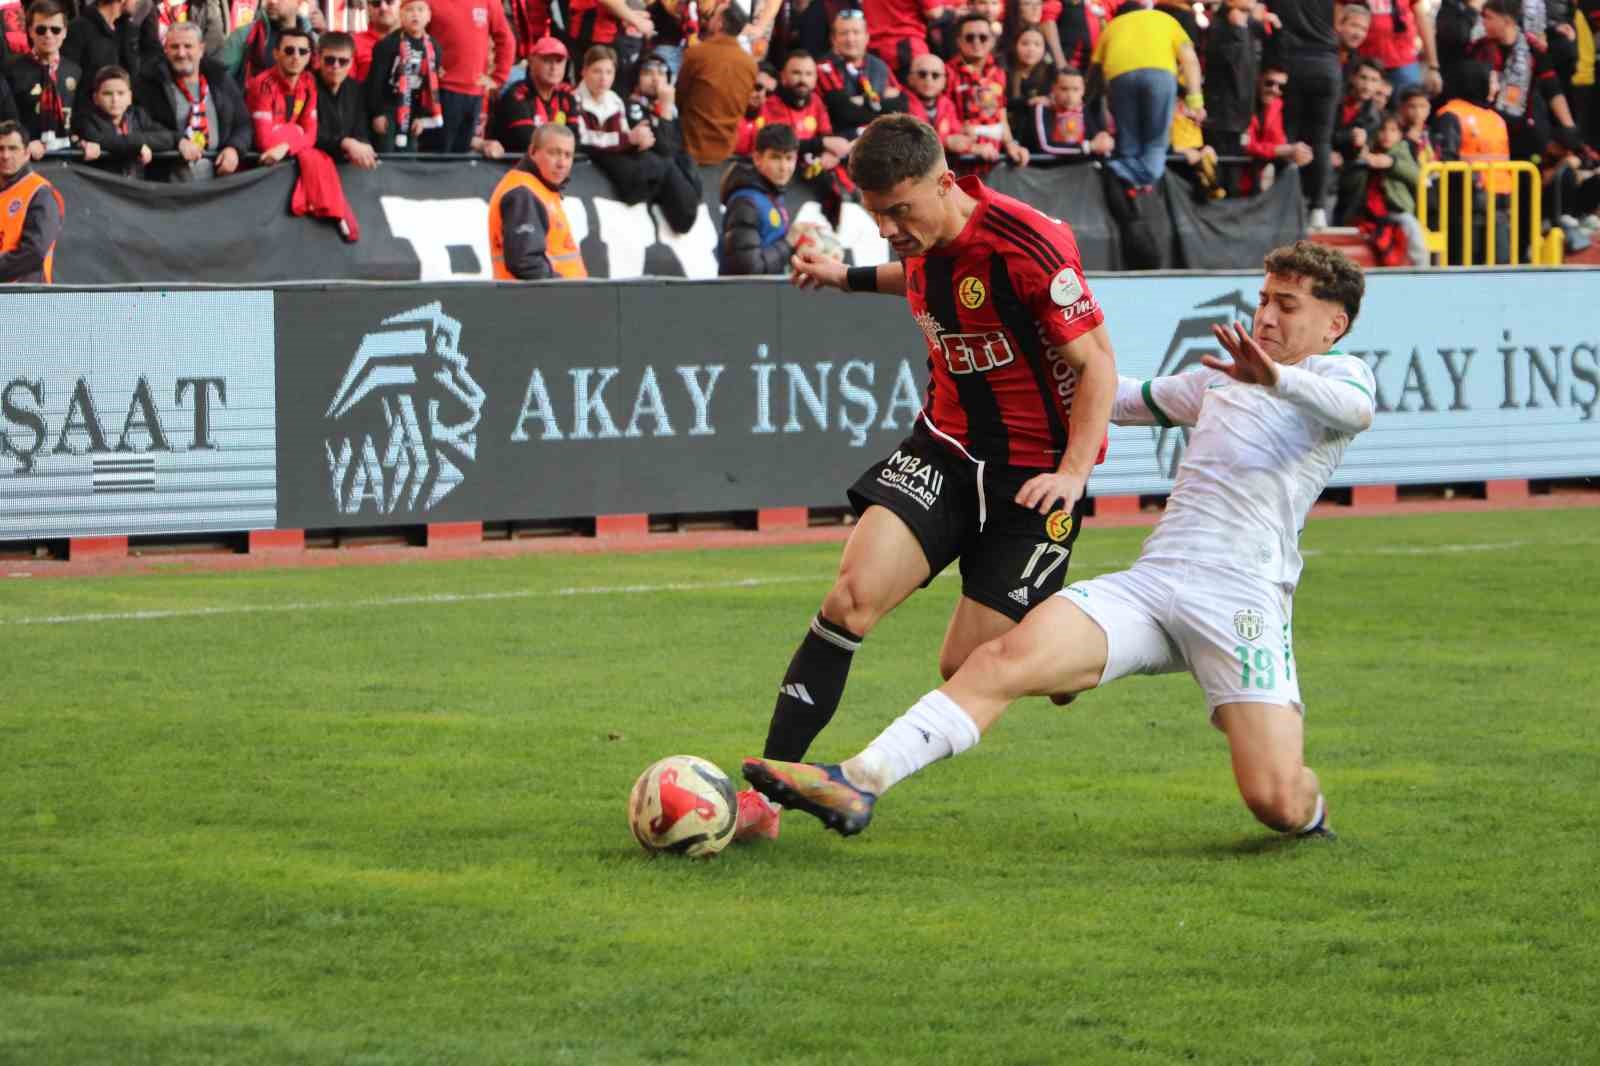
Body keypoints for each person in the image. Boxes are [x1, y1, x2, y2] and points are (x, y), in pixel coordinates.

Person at [744, 240, 1374, 846]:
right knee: (994, 661)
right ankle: (857, 780)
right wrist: (1038, 357)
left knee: (1276, 801)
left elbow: (1355, 409)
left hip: (1241, 603)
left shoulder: (1338, 378)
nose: (1265, 315)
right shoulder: (1217, 382)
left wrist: (1275, 380)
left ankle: (1309, 810)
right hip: (1153, 586)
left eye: (1286, 305)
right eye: (1263, 299)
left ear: (1333, 324)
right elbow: (1116, 396)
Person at [731, 113, 1118, 841]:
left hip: (1033, 481)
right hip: (942, 450)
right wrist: (841, 277)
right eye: (875, 214)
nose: (887, 229)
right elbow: (914, 271)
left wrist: (1071, 473)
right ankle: (769, 796)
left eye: (899, 211)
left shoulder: (1029, 245)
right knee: (850, 600)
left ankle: (1058, 659)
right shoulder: (922, 237)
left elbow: (1097, 364)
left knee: (968, 666)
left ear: (945, 183)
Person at [248, 26, 361, 240]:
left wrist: (285, 143)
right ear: (276, 53)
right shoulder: (262, 85)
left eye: (302, 52)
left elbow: (311, 135)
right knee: (312, 154)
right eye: (289, 50)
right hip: (258, 169)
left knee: (315, 154)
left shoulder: (309, 82)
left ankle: (334, 210)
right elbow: (264, 142)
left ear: (311, 56)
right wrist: (295, 132)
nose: (296, 57)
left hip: (286, 156)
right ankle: (337, 211)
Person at [1090, 0, 1201, 193]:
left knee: (1128, 141)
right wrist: (1195, 101)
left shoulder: (1111, 27)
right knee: (1156, 142)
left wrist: (1090, 100)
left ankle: (1128, 181)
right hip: (1159, 75)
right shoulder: (1165, 19)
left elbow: (1094, 70)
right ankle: (1127, 173)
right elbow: (1190, 60)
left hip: (1119, 78)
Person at [133, 21, 250, 180]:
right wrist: (176, 141)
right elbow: (140, 126)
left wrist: (235, 148)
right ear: (165, 50)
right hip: (166, 187)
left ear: (201, 49)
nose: (181, 53)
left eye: (188, 46)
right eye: (174, 47)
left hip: (218, 187)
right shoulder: (149, 83)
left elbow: (243, 124)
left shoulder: (220, 79)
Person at [1267, 0, 1341, 229]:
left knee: (1288, 133)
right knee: (1321, 139)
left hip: (1293, 61)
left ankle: (1285, 202)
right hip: (1327, 63)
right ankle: (1318, 208)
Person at [488, 120, 586, 278]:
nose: (562, 163)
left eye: (568, 155)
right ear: (533, 151)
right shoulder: (523, 192)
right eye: (554, 153)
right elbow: (525, 262)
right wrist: (566, 289)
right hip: (542, 299)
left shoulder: (540, 187)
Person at [421, 0, 513, 152]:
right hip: (440, 91)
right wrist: (426, 72)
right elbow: (414, 36)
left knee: (462, 154)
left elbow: (506, 39)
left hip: (474, 94)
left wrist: (498, 77)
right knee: (435, 154)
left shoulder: (489, 2)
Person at [677, 0, 758, 164]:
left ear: (720, 23)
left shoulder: (697, 54)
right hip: (726, 148)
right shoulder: (750, 64)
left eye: (713, 15)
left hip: (691, 146)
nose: (710, 18)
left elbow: (680, 98)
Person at [946, 10, 1029, 165]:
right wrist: (972, 147)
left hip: (993, 160)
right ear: (959, 41)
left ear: (992, 41)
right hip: (959, 161)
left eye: (983, 37)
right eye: (970, 37)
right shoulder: (946, 73)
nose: (976, 42)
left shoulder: (998, 73)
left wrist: (1011, 144)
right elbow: (943, 119)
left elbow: (1001, 115)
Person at [818, 8, 909, 141]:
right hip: (843, 140)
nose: (850, 39)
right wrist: (882, 103)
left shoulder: (880, 66)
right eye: (844, 33)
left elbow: (901, 104)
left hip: (880, 139)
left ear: (867, 37)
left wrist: (862, 102)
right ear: (833, 39)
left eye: (856, 32)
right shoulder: (825, 68)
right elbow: (843, 113)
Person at [71, 63, 177, 178]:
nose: (115, 99)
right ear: (95, 98)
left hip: (135, 188)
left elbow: (167, 137)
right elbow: (99, 139)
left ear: (130, 97)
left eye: (121, 93)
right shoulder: (86, 119)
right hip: (102, 189)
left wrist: (137, 143)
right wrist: (137, 146)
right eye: (107, 94)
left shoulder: (138, 115)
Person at [719, 120, 797, 274]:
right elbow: (747, 269)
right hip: (746, 297)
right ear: (757, 159)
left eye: (789, 158)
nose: (783, 167)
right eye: (775, 157)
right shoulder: (745, 203)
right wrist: (789, 243)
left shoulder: (771, 195)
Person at [7, 0, 81, 158]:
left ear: (65, 32)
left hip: (67, 162)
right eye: (41, 29)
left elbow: (81, 117)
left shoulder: (75, 71)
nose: (48, 35)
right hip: (25, 162)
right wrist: (24, 143)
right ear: (30, 31)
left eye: (55, 29)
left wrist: (82, 140)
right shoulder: (10, 70)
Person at [366, 0, 442, 153]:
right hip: (389, 105)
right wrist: (377, 113)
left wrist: (423, 117)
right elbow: (375, 82)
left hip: (414, 107)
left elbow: (430, 86)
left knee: (410, 150)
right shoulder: (387, 44)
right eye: (409, 10)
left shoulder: (433, 48)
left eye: (420, 10)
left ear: (429, 16)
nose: (415, 14)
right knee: (386, 148)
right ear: (400, 15)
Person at [1354, 112, 1429, 264]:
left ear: (1401, 135)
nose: (1387, 135)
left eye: (1393, 130)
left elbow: (1415, 175)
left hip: (1396, 209)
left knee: (1414, 234)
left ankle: (1422, 270)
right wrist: (1362, 151)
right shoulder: (1370, 150)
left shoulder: (1401, 151)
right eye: (1383, 130)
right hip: (1370, 211)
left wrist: (1392, 163)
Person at [1204, 0, 1262, 196]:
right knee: (1222, 182)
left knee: (1234, 180)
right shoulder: (1223, 26)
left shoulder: (1246, 25)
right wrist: (1238, 31)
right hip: (1223, 119)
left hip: (1239, 117)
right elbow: (1235, 70)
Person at [61, 0, 160, 115]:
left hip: (124, 119)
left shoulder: (126, 29)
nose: (138, 2)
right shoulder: (78, 29)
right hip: (87, 120)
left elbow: (134, 76)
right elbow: (69, 82)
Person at [0, 118, 64, 282]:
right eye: (0, 148)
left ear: (27, 153)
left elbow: (34, 252)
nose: (5, 155)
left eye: (13, 148)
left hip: (25, 297)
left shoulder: (40, 193)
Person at [491, 35, 576, 155]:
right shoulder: (517, 94)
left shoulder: (567, 95)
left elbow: (576, 137)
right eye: (547, 60)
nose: (554, 67)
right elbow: (527, 140)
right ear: (531, 61)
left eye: (559, 61)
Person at [1243, 64, 1312, 195]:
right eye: (1269, 83)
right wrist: (1280, 150)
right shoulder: (1244, 103)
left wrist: (1296, 152)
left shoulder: (1276, 105)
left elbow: (1278, 141)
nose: (1275, 90)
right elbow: (1246, 146)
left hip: (1259, 180)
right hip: (1237, 179)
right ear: (1259, 79)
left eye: (1281, 87)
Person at [313, 31, 377, 169]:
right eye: (330, 60)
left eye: (343, 61)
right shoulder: (306, 85)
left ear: (352, 62)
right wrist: (344, 143)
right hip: (314, 164)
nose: (336, 66)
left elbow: (361, 128)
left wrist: (362, 145)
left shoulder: (356, 89)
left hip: (348, 165)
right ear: (319, 58)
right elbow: (308, 132)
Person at [1016, 65, 1113, 155]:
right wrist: (1087, 147)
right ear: (1054, 89)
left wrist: (1104, 141)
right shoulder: (1042, 108)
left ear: (1083, 90)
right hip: (1044, 169)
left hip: (1080, 169)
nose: (1070, 96)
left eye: (1075, 89)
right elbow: (1045, 146)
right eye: (1064, 89)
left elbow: (1097, 140)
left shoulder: (1085, 110)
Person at [1357, 0, 1443, 96]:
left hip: (1403, 61)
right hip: (1365, 60)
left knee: (1412, 104)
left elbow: (1423, 20)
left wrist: (1432, 66)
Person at [221, 0, 314, 85]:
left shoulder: (314, 41)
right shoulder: (245, 35)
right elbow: (219, 82)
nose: (272, 1)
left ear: (299, 2)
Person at [902, 51, 968, 154]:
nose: (929, 80)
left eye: (935, 75)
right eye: (922, 74)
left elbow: (956, 134)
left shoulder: (947, 105)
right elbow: (909, 142)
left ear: (944, 81)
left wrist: (970, 141)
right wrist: (945, 142)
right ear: (910, 78)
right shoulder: (901, 102)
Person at [353, 0, 399, 81]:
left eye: (389, 2)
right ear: (368, 9)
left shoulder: (418, 41)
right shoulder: (354, 43)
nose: (383, 8)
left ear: (401, 5)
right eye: (376, 3)